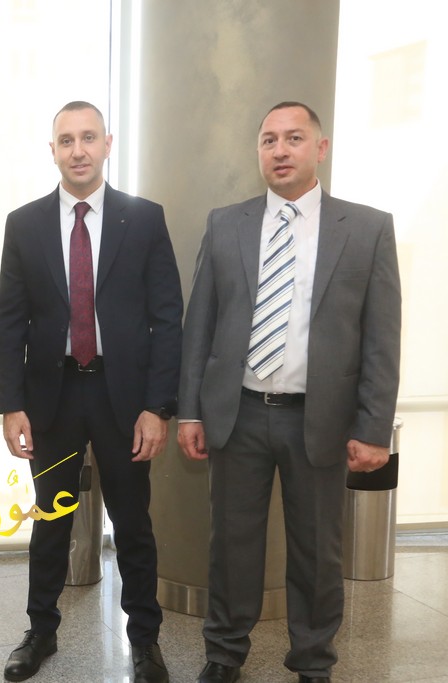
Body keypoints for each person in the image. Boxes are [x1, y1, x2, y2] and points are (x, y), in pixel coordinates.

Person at [178, 101, 401, 683]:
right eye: (269, 140)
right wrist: (189, 412)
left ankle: (313, 660)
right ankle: (224, 653)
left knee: (317, 551)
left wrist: (374, 428)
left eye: (294, 138)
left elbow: (382, 337)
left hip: (320, 419)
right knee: (232, 546)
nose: (280, 150)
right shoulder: (225, 224)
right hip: (239, 414)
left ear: (320, 148)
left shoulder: (368, 228)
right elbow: (200, 326)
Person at [0, 100, 182, 683]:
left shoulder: (143, 219)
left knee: (133, 524)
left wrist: (158, 407)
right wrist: (11, 405)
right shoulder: (24, 224)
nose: (78, 150)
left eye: (88, 138)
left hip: (123, 398)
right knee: (51, 520)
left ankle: (144, 641)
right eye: (66, 140)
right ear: (52, 150)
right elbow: (10, 321)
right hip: (52, 398)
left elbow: (167, 317)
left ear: (107, 144)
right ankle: (40, 631)